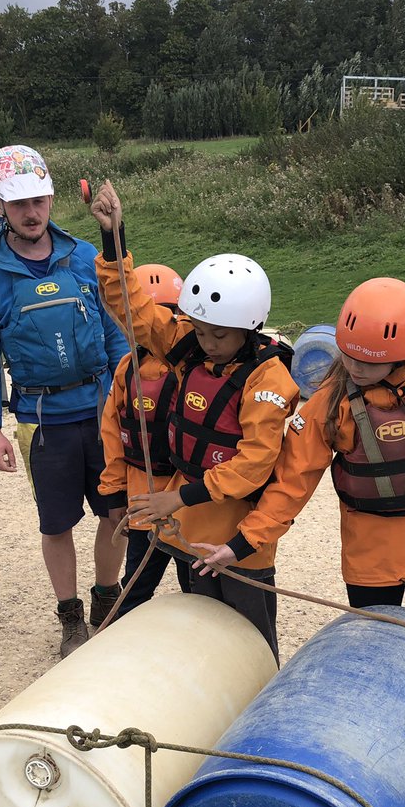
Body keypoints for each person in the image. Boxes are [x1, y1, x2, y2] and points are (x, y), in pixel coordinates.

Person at [192, 277, 405, 632]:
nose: (354, 368)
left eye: (367, 362)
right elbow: (292, 480)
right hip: (371, 554)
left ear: (403, 358)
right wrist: (241, 544)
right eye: (348, 356)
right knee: (372, 644)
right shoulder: (332, 399)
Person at [89, 180, 300, 662]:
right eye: (199, 329)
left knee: (251, 641)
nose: (205, 342)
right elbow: (133, 309)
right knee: (205, 638)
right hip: (189, 531)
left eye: (218, 335)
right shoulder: (190, 349)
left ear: (249, 329)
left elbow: (253, 464)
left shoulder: (267, 379)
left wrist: (176, 496)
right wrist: (114, 240)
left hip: (239, 539)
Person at [0, 144, 130, 658]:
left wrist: (133, 393)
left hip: (101, 410)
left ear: (52, 197)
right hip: (42, 421)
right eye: (18, 203)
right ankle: (70, 616)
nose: (31, 212)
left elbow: (116, 329)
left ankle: (107, 598)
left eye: (38, 199)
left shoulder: (84, 256)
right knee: (56, 524)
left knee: (117, 511)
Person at [98, 262, 192, 616]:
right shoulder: (126, 369)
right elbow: (112, 435)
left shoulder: (194, 371)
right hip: (143, 505)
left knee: (193, 589)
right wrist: (111, 492)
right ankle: (116, 648)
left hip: (184, 505)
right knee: (136, 589)